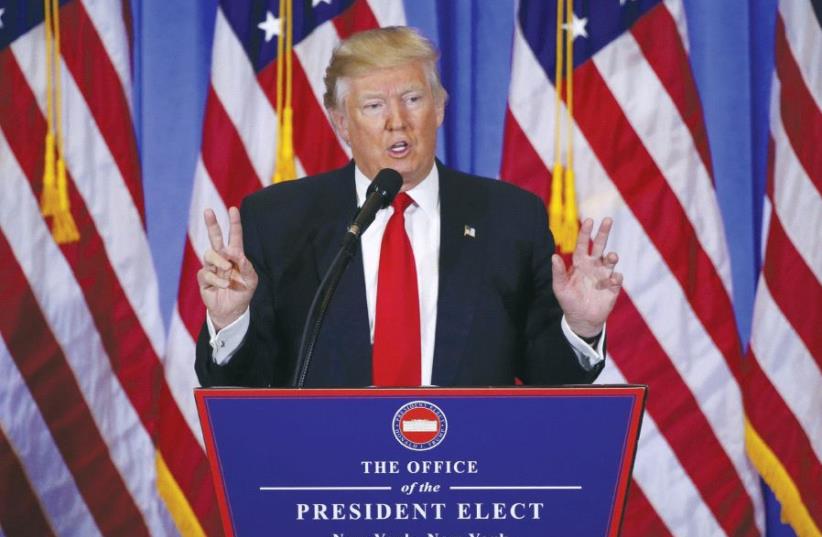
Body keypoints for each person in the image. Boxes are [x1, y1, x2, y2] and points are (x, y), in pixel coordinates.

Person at [195, 26, 622, 388]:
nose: (396, 120)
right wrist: (230, 322)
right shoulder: (279, 220)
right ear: (341, 122)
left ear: (438, 108)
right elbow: (242, 387)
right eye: (374, 106)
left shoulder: (510, 217)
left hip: (466, 471)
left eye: (413, 99)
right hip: (330, 472)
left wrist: (582, 328)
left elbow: (550, 378)